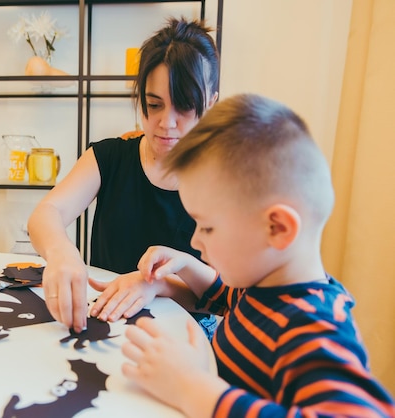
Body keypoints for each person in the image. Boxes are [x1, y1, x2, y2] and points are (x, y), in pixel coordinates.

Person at [121, 93, 395, 417]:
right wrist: (181, 271)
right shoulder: (266, 286)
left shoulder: (312, 328)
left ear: (277, 228)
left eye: (207, 228)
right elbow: (231, 299)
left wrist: (192, 386)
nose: (196, 239)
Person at [27, 17, 220, 335]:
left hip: (184, 334)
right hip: (106, 321)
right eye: (153, 104)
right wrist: (62, 251)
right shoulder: (109, 157)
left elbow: (222, 295)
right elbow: (46, 213)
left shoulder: (227, 178)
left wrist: (156, 286)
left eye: (184, 106)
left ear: (210, 102)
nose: (165, 123)